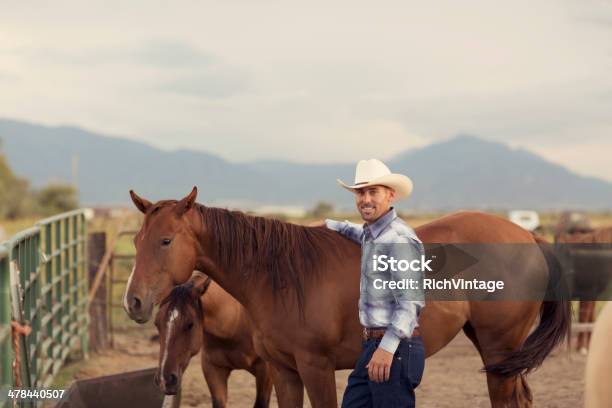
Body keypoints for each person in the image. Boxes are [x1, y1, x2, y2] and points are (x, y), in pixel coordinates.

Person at [325, 158, 425, 408]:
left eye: (373, 192)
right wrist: (327, 225)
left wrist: (387, 349)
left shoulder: (400, 240)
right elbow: (358, 232)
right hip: (372, 345)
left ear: (390, 195)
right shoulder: (373, 235)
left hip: (395, 347)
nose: (365, 199)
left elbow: (410, 303)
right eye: (360, 192)